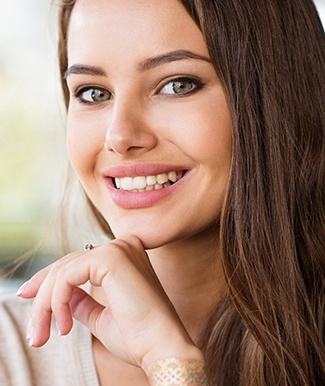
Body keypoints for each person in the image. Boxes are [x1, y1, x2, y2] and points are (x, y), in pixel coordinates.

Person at [0, 0, 324, 385]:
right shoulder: (11, 355)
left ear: (278, 97)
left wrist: (170, 362)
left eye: (178, 85)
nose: (119, 137)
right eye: (93, 93)